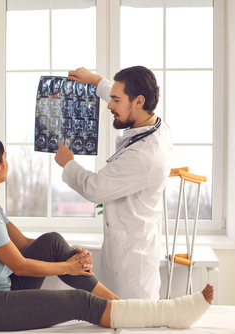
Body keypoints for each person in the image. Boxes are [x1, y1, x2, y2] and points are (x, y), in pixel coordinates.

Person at [0, 135, 212, 333]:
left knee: (53, 241)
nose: (8, 162)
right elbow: (19, 265)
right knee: (78, 302)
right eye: (6, 158)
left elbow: (23, 245)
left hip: (3, 288)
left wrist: (70, 253)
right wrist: (66, 266)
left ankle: (120, 302)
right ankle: (157, 313)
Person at [54, 66, 173, 300]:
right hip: (125, 242)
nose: (109, 105)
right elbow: (117, 92)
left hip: (131, 268)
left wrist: (68, 164)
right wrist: (95, 80)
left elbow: (95, 188)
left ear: (139, 101)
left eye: (115, 100)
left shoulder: (145, 155)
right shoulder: (155, 125)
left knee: (127, 320)